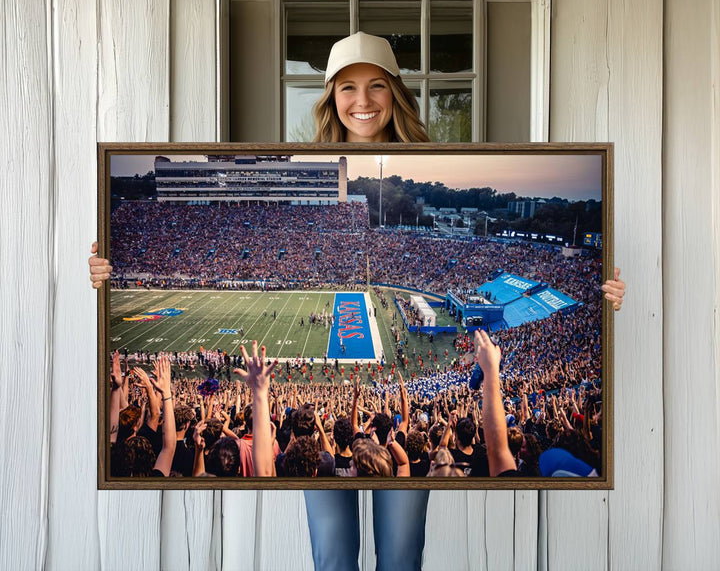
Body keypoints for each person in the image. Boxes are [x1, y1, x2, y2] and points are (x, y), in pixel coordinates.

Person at [88, 31, 626, 571]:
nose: (362, 101)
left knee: (398, 555)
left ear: (396, 92)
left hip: (355, 449)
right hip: (351, 451)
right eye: (347, 87)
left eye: (376, 86)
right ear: (330, 97)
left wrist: (604, 291)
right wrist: (104, 267)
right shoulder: (300, 154)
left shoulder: (441, 155)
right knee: (334, 554)